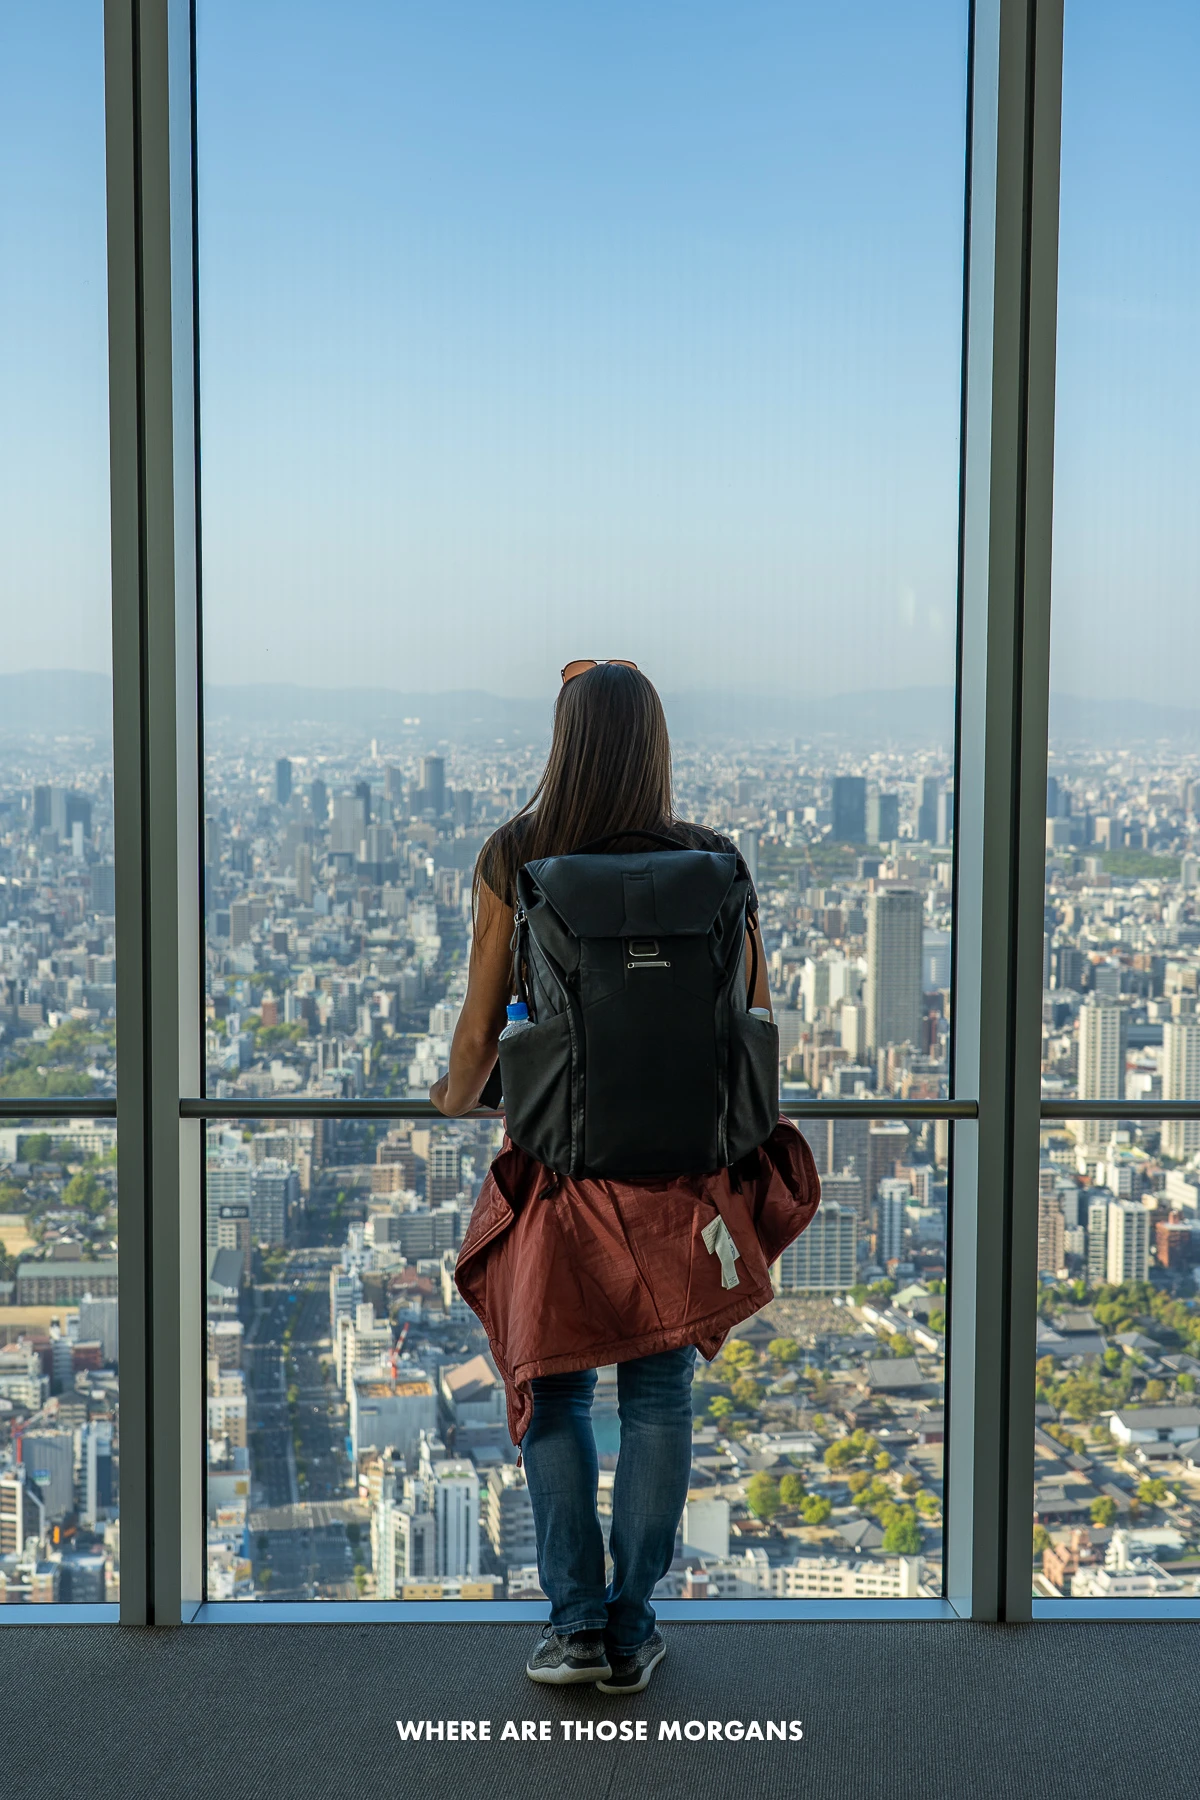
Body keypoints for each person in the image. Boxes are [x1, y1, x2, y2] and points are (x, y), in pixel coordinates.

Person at [432, 661, 818, 1694]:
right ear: (656, 744)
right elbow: (754, 1021)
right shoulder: (715, 862)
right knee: (657, 1397)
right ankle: (633, 1629)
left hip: (564, 1174)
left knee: (553, 1396)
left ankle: (573, 1625)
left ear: (563, 740)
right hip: (684, 1185)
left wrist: (449, 1094)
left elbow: (478, 1035)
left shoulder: (516, 854)